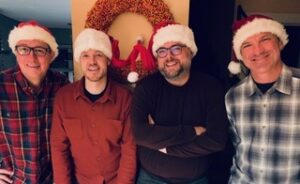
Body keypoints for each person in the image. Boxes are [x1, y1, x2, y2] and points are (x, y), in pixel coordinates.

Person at [131, 22, 229, 184]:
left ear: (190, 51)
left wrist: (162, 145)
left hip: (196, 180)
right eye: (162, 51)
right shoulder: (146, 87)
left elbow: (216, 140)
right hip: (151, 179)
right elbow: (140, 134)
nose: (169, 57)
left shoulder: (211, 87)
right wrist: (191, 132)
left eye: (176, 48)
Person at [50, 28, 136, 184]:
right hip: (79, 180)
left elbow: (129, 149)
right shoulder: (63, 97)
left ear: (108, 60)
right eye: (85, 55)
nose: (92, 62)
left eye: (98, 55)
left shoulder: (125, 98)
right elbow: (58, 147)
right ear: (79, 60)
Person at [226, 14, 300, 184]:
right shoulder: (233, 97)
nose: (258, 51)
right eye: (247, 45)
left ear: (280, 43)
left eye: (265, 39)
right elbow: (238, 147)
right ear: (241, 56)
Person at [0, 20, 69, 183]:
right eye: (24, 49)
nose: (31, 57)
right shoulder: (2, 84)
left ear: (51, 55)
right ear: (16, 53)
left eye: (39, 50)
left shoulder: (63, 86)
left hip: (53, 179)